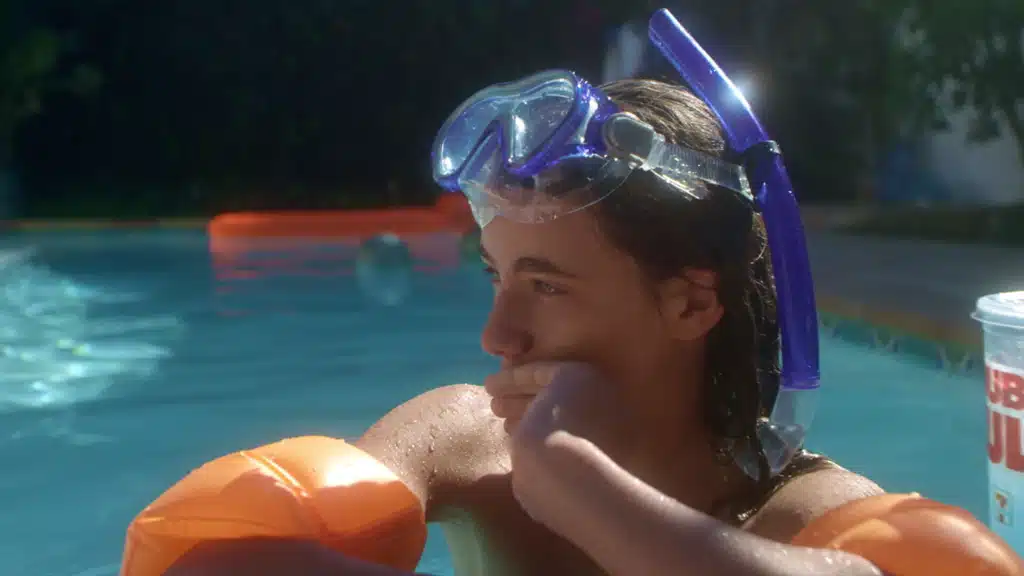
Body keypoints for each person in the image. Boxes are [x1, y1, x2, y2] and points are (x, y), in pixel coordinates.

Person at [150, 9, 1021, 576]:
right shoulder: (466, 443)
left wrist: (576, 484)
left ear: (691, 303)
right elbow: (212, 559)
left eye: (547, 285)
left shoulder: (801, 520)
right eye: (497, 277)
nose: (499, 334)